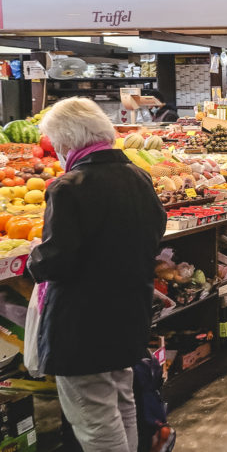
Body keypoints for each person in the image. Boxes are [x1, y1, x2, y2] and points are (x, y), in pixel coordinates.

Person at [28, 97, 167, 452]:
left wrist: (34, 259)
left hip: (82, 327)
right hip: (127, 317)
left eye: (56, 143)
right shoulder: (139, 177)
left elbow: (57, 261)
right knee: (122, 406)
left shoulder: (69, 188)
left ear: (66, 141)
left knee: (94, 420)